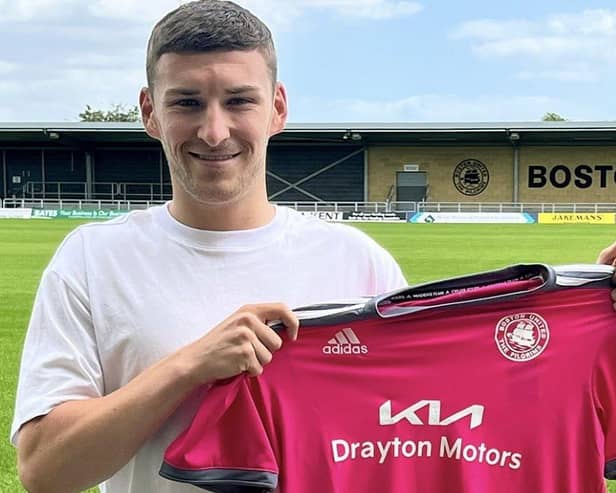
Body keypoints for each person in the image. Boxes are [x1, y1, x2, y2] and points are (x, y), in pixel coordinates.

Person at [11, 2, 406, 492]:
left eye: (239, 101)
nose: (214, 131)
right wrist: (189, 366)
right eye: (187, 102)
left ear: (277, 108)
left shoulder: (359, 263)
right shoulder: (93, 259)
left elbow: (406, 445)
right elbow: (46, 472)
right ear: (150, 112)